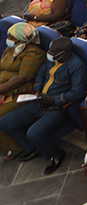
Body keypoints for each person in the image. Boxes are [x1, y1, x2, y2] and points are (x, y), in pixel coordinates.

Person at [0, 37, 87, 174]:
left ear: (63, 53)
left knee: (34, 133)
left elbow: (77, 93)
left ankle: (56, 154)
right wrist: (38, 91)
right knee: (5, 122)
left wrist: (52, 99)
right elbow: (40, 74)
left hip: (59, 108)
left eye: (53, 51)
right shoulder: (52, 59)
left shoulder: (77, 66)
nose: (49, 53)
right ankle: (32, 148)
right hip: (39, 101)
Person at [0, 23, 45, 160]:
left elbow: (23, 78)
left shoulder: (34, 53)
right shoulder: (11, 49)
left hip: (20, 93)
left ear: (21, 38)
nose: (8, 39)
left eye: (11, 37)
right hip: (5, 88)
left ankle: (19, 147)